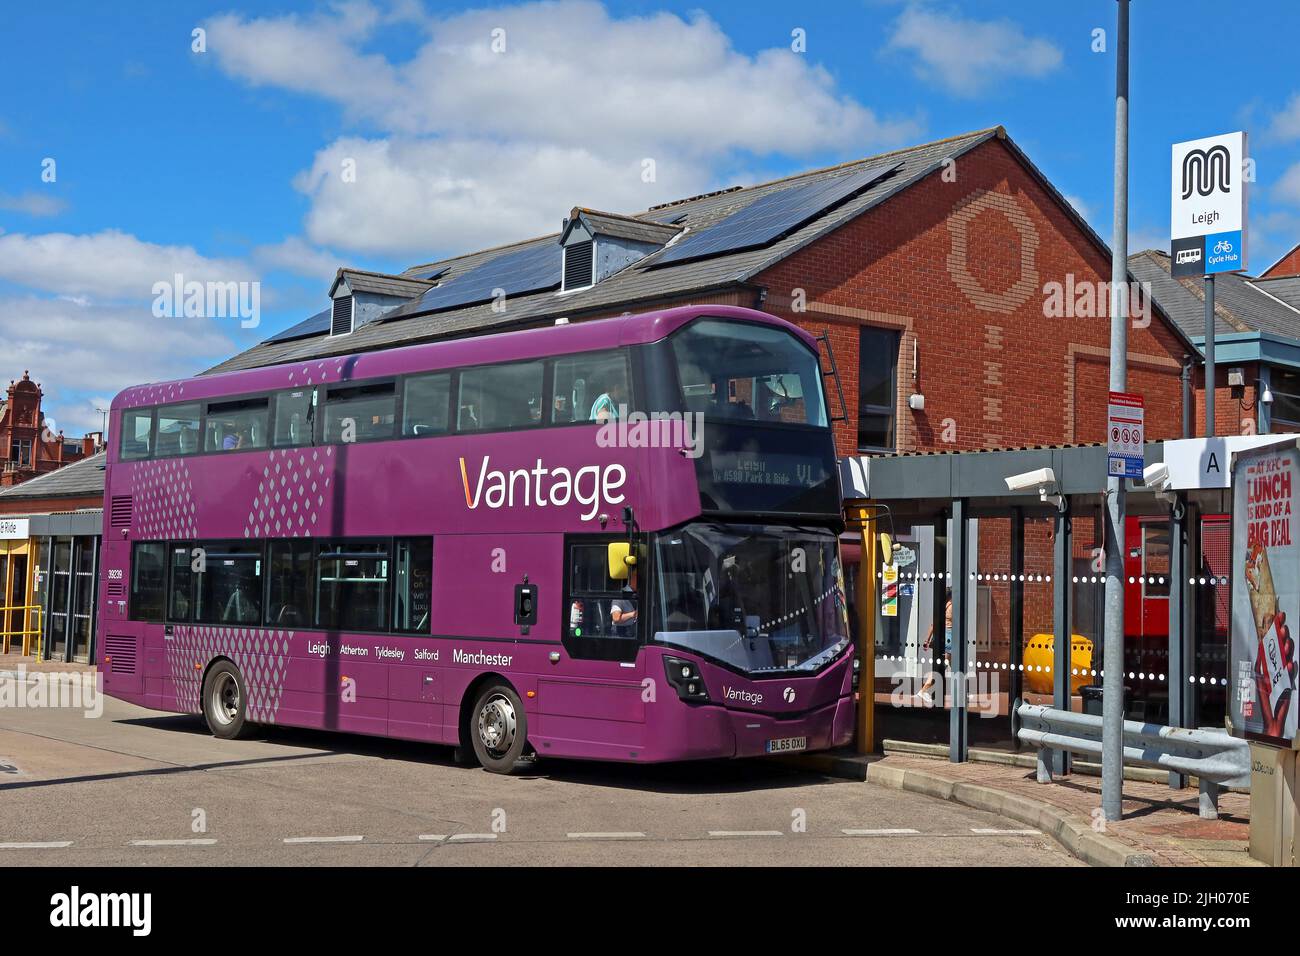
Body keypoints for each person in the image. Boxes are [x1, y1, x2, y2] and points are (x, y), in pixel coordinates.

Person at [917, 596, 953, 704]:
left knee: (953, 665)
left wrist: (927, 640)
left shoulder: (943, 606)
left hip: (942, 636)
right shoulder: (953, 606)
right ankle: (923, 691)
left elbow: (933, 624)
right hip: (949, 637)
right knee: (941, 667)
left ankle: (962, 692)